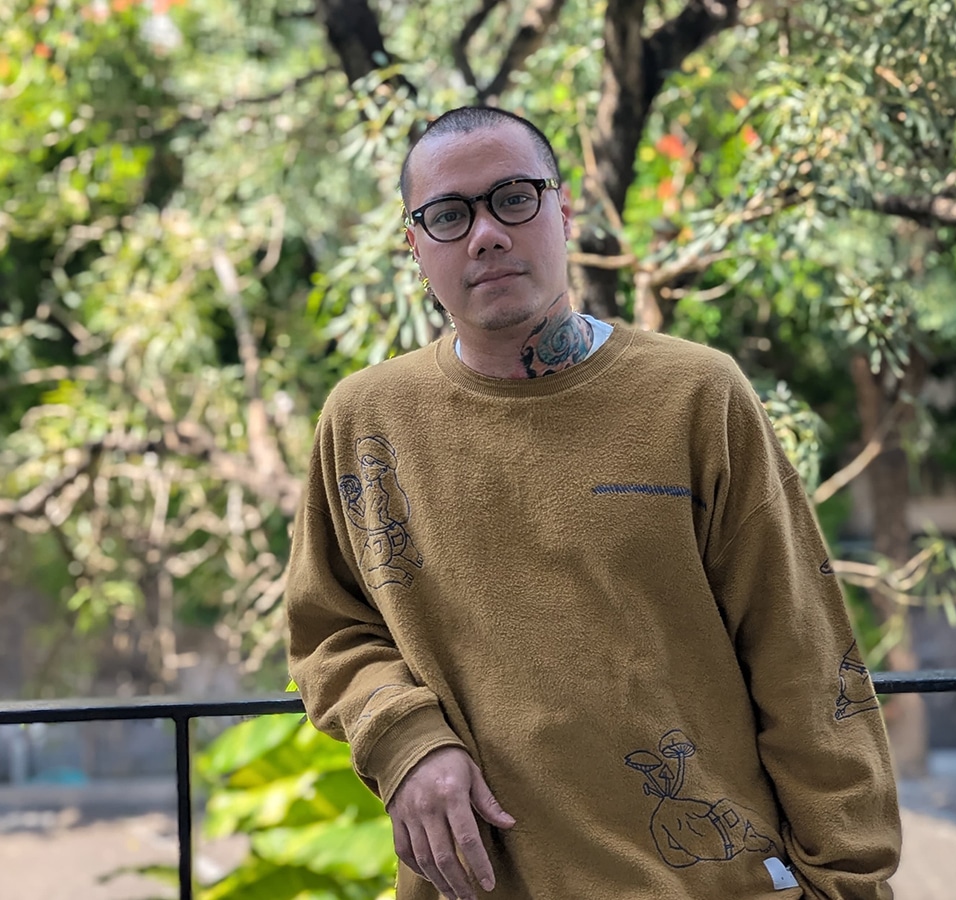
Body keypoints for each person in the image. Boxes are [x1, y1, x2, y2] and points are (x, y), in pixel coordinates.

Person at [285, 105, 902, 900]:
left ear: (563, 210)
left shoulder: (696, 396)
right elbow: (327, 631)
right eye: (448, 215)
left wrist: (846, 884)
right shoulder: (365, 421)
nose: (486, 234)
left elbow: (804, 658)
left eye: (514, 197)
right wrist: (403, 739)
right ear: (416, 248)